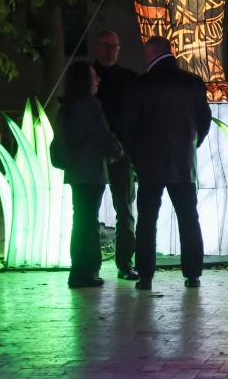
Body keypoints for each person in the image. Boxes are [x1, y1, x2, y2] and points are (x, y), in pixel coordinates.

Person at [123, 36, 212, 290]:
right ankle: (193, 273)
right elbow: (204, 120)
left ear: (151, 54)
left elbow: (130, 127)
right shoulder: (192, 83)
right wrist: (191, 145)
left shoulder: (141, 85)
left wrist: (136, 158)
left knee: (147, 219)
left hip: (149, 164)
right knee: (188, 218)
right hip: (183, 163)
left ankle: (146, 275)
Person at [56, 61, 121, 288]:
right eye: (94, 76)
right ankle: (88, 270)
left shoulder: (68, 105)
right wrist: (118, 152)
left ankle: (78, 269)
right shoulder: (89, 104)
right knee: (88, 221)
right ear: (85, 80)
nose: (98, 80)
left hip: (75, 171)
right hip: (91, 170)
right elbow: (102, 135)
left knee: (80, 219)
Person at [91, 29, 139, 281]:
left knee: (124, 210)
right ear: (98, 48)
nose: (111, 50)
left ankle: (124, 263)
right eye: (106, 46)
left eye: (114, 46)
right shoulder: (90, 76)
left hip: (119, 153)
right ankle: (99, 265)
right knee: (94, 213)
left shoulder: (127, 79)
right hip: (101, 153)